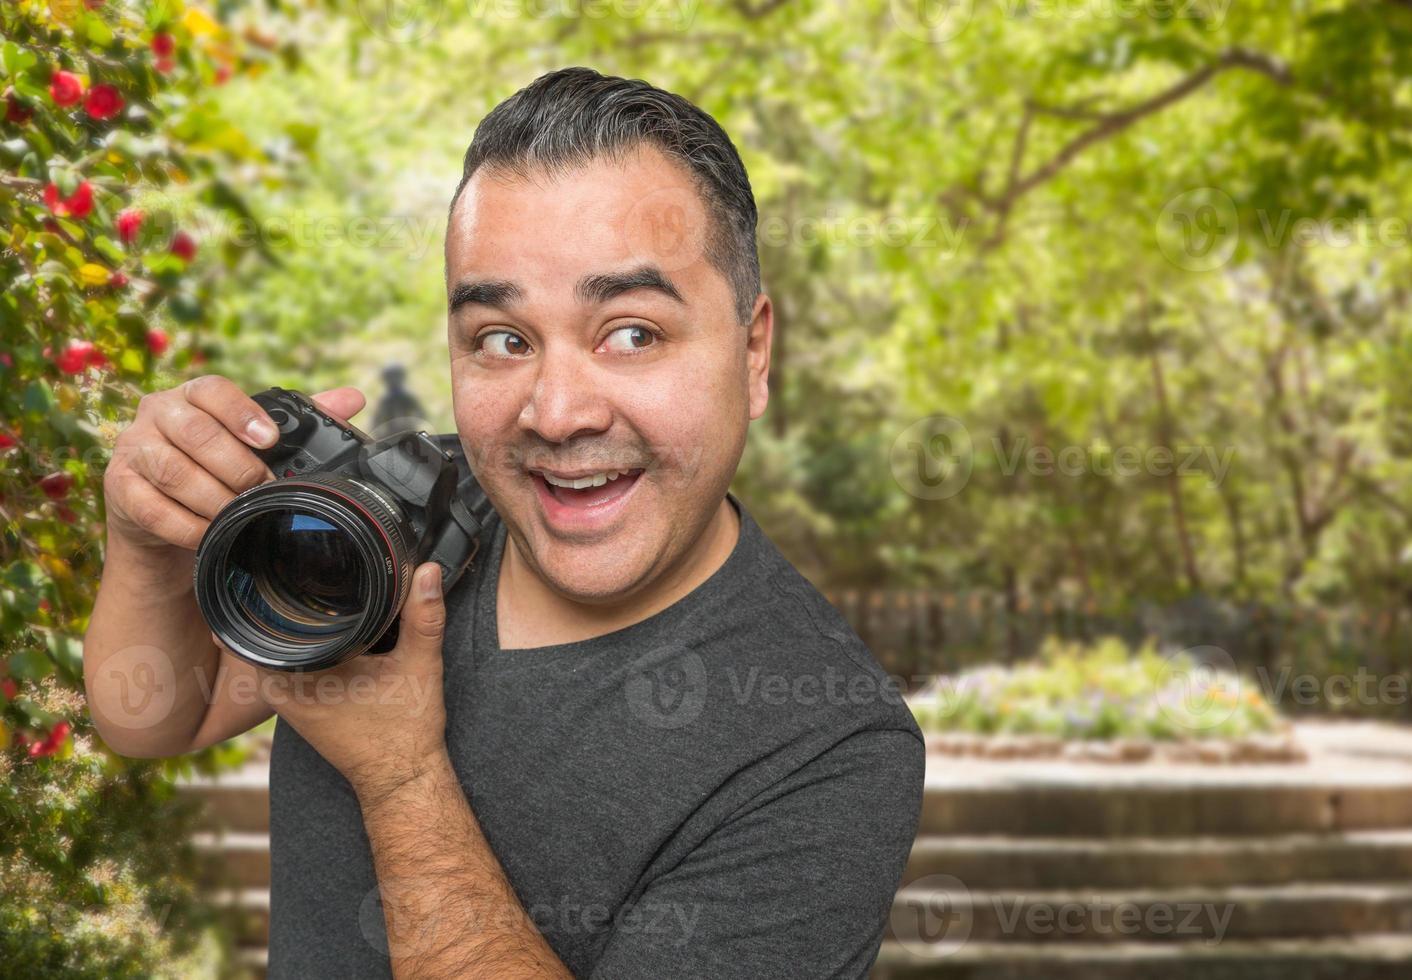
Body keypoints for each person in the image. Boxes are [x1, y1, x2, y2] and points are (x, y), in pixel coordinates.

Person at [83, 66, 924, 978]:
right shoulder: (403, 520)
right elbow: (156, 716)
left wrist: (401, 773)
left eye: (631, 333)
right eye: (503, 340)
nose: (557, 413)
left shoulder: (828, 748)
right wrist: (144, 550)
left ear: (753, 351)